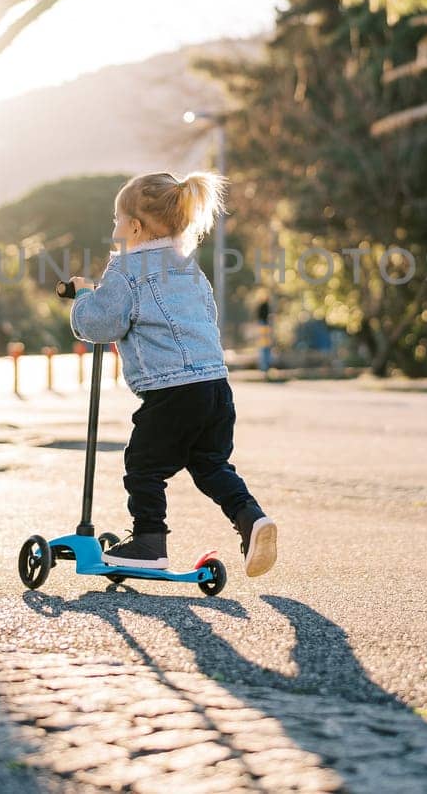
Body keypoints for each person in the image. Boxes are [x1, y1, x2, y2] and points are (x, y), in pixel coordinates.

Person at [69, 171, 278, 578]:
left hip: (172, 391)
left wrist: (81, 296)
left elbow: (100, 325)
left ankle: (149, 542)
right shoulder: (188, 269)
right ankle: (251, 520)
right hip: (215, 386)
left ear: (134, 226)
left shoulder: (127, 269)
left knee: (143, 465)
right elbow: (207, 318)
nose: (114, 229)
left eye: (116, 221)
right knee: (211, 464)